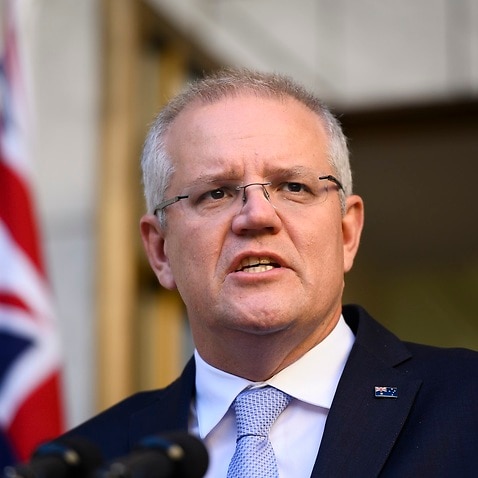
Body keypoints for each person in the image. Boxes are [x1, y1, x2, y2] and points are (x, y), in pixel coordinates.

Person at [66, 69, 477, 477]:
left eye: (293, 187)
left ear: (347, 232)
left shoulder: (467, 403)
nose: (257, 215)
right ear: (160, 251)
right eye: (216, 193)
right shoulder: (92, 462)